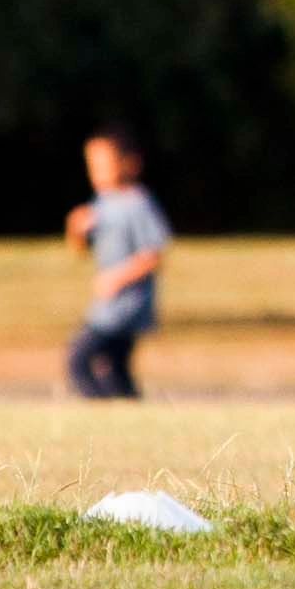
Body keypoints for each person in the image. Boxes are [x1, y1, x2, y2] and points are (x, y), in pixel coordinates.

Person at [63, 123, 173, 400]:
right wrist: (75, 230)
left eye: (105, 165)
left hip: (126, 305)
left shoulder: (138, 203)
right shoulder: (102, 203)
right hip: (110, 303)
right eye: (93, 166)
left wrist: (117, 278)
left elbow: (154, 255)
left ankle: (100, 410)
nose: (97, 173)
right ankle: (130, 411)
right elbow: (80, 251)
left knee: (78, 360)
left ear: (130, 164)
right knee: (116, 369)